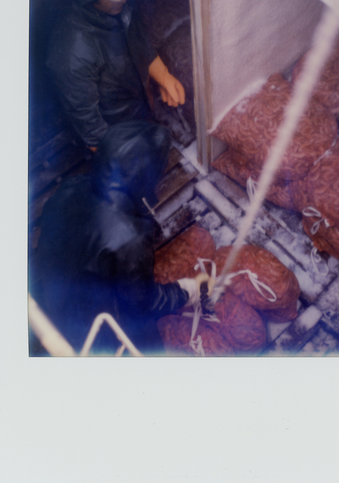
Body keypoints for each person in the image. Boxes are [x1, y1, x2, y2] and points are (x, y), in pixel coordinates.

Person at [32, 121, 208, 354]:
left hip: (51, 296)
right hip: (89, 330)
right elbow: (144, 303)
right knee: (145, 342)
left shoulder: (71, 186)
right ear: (144, 178)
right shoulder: (130, 239)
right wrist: (188, 290)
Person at [46, 0, 185, 151]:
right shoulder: (72, 52)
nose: (123, 0)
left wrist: (163, 76)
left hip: (136, 105)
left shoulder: (118, 9)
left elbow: (138, 40)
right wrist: (114, 156)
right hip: (111, 128)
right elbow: (88, 123)